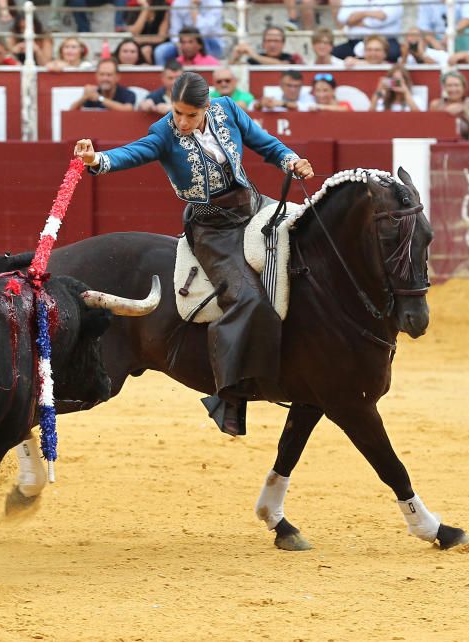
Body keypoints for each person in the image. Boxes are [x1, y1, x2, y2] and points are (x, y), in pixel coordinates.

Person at [72, 72, 315, 436]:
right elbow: (132, 152)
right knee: (246, 296)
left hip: (253, 207)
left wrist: (291, 159)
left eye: (190, 115)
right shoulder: (164, 132)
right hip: (213, 229)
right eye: (177, 113)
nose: (181, 122)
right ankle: (229, 392)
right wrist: (97, 160)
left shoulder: (227, 110)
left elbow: (265, 143)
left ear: (206, 107)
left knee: (310, 249)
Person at [154, 0, 224, 65]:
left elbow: (204, 32)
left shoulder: (215, 3)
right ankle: (167, 76)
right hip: (184, 41)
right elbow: (175, 30)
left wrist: (194, 8)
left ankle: (206, 71)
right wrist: (180, 45)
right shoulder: (178, 3)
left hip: (211, 41)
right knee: (160, 51)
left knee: (203, 41)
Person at [334, 0, 403, 61]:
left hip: (386, 41)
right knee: (334, 53)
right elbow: (342, 18)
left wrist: (355, 20)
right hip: (354, 41)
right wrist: (367, 13)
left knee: (393, 54)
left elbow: (383, 19)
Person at [69, 57, 136, 111]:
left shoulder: (128, 94)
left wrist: (100, 98)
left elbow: (127, 110)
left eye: (109, 75)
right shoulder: (93, 94)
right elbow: (70, 113)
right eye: (102, 74)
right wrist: (84, 97)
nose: (105, 78)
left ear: (117, 77)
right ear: (96, 76)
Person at [429, 70, 469, 139]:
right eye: (449, 85)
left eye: (456, 85)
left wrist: (464, 110)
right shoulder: (435, 104)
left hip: (465, 145)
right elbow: (431, 130)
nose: (453, 89)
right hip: (442, 143)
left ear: (463, 87)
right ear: (444, 88)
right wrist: (445, 113)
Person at [124, 0, 169, 66]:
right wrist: (145, 9)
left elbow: (161, 37)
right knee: (132, 49)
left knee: (146, 50)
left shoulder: (163, 6)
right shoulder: (133, 5)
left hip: (157, 44)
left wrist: (141, 39)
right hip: (137, 43)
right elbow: (135, 32)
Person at [228, 26, 303, 65]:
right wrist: (235, 57)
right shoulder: (253, 60)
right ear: (263, 44)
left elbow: (281, 65)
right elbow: (236, 69)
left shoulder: (290, 58)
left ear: (283, 44)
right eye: (269, 41)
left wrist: (255, 55)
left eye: (276, 41)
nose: (272, 45)